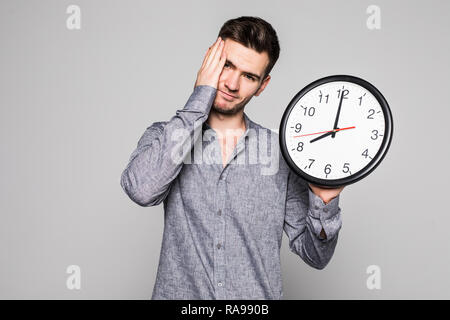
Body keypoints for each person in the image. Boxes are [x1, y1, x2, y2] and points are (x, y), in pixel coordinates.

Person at [120, 16, 345, 300]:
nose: (232, 84)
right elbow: (141, 190)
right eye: (227, 65)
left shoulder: (281, 155)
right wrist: (200, 96)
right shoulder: (165, 137)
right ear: (209, 62)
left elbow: (316, 256)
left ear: (262, 85)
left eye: (249, 76)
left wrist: (325, 202)